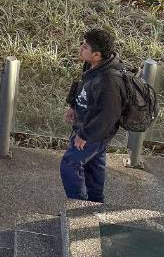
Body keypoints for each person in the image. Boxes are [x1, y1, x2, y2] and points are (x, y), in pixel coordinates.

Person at [61, 29, 125, 204]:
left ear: (97, 54)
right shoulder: (93, 65)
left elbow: (109, 115)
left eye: (85, 46)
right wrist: (73, 105)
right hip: (87, 126)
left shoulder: (109, 81)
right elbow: (83, 84)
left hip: (94, 132)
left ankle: (78, 207)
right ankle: (96, 205)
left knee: (69, 164)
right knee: (94, 168)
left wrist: (84, 135)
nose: (81, 47)